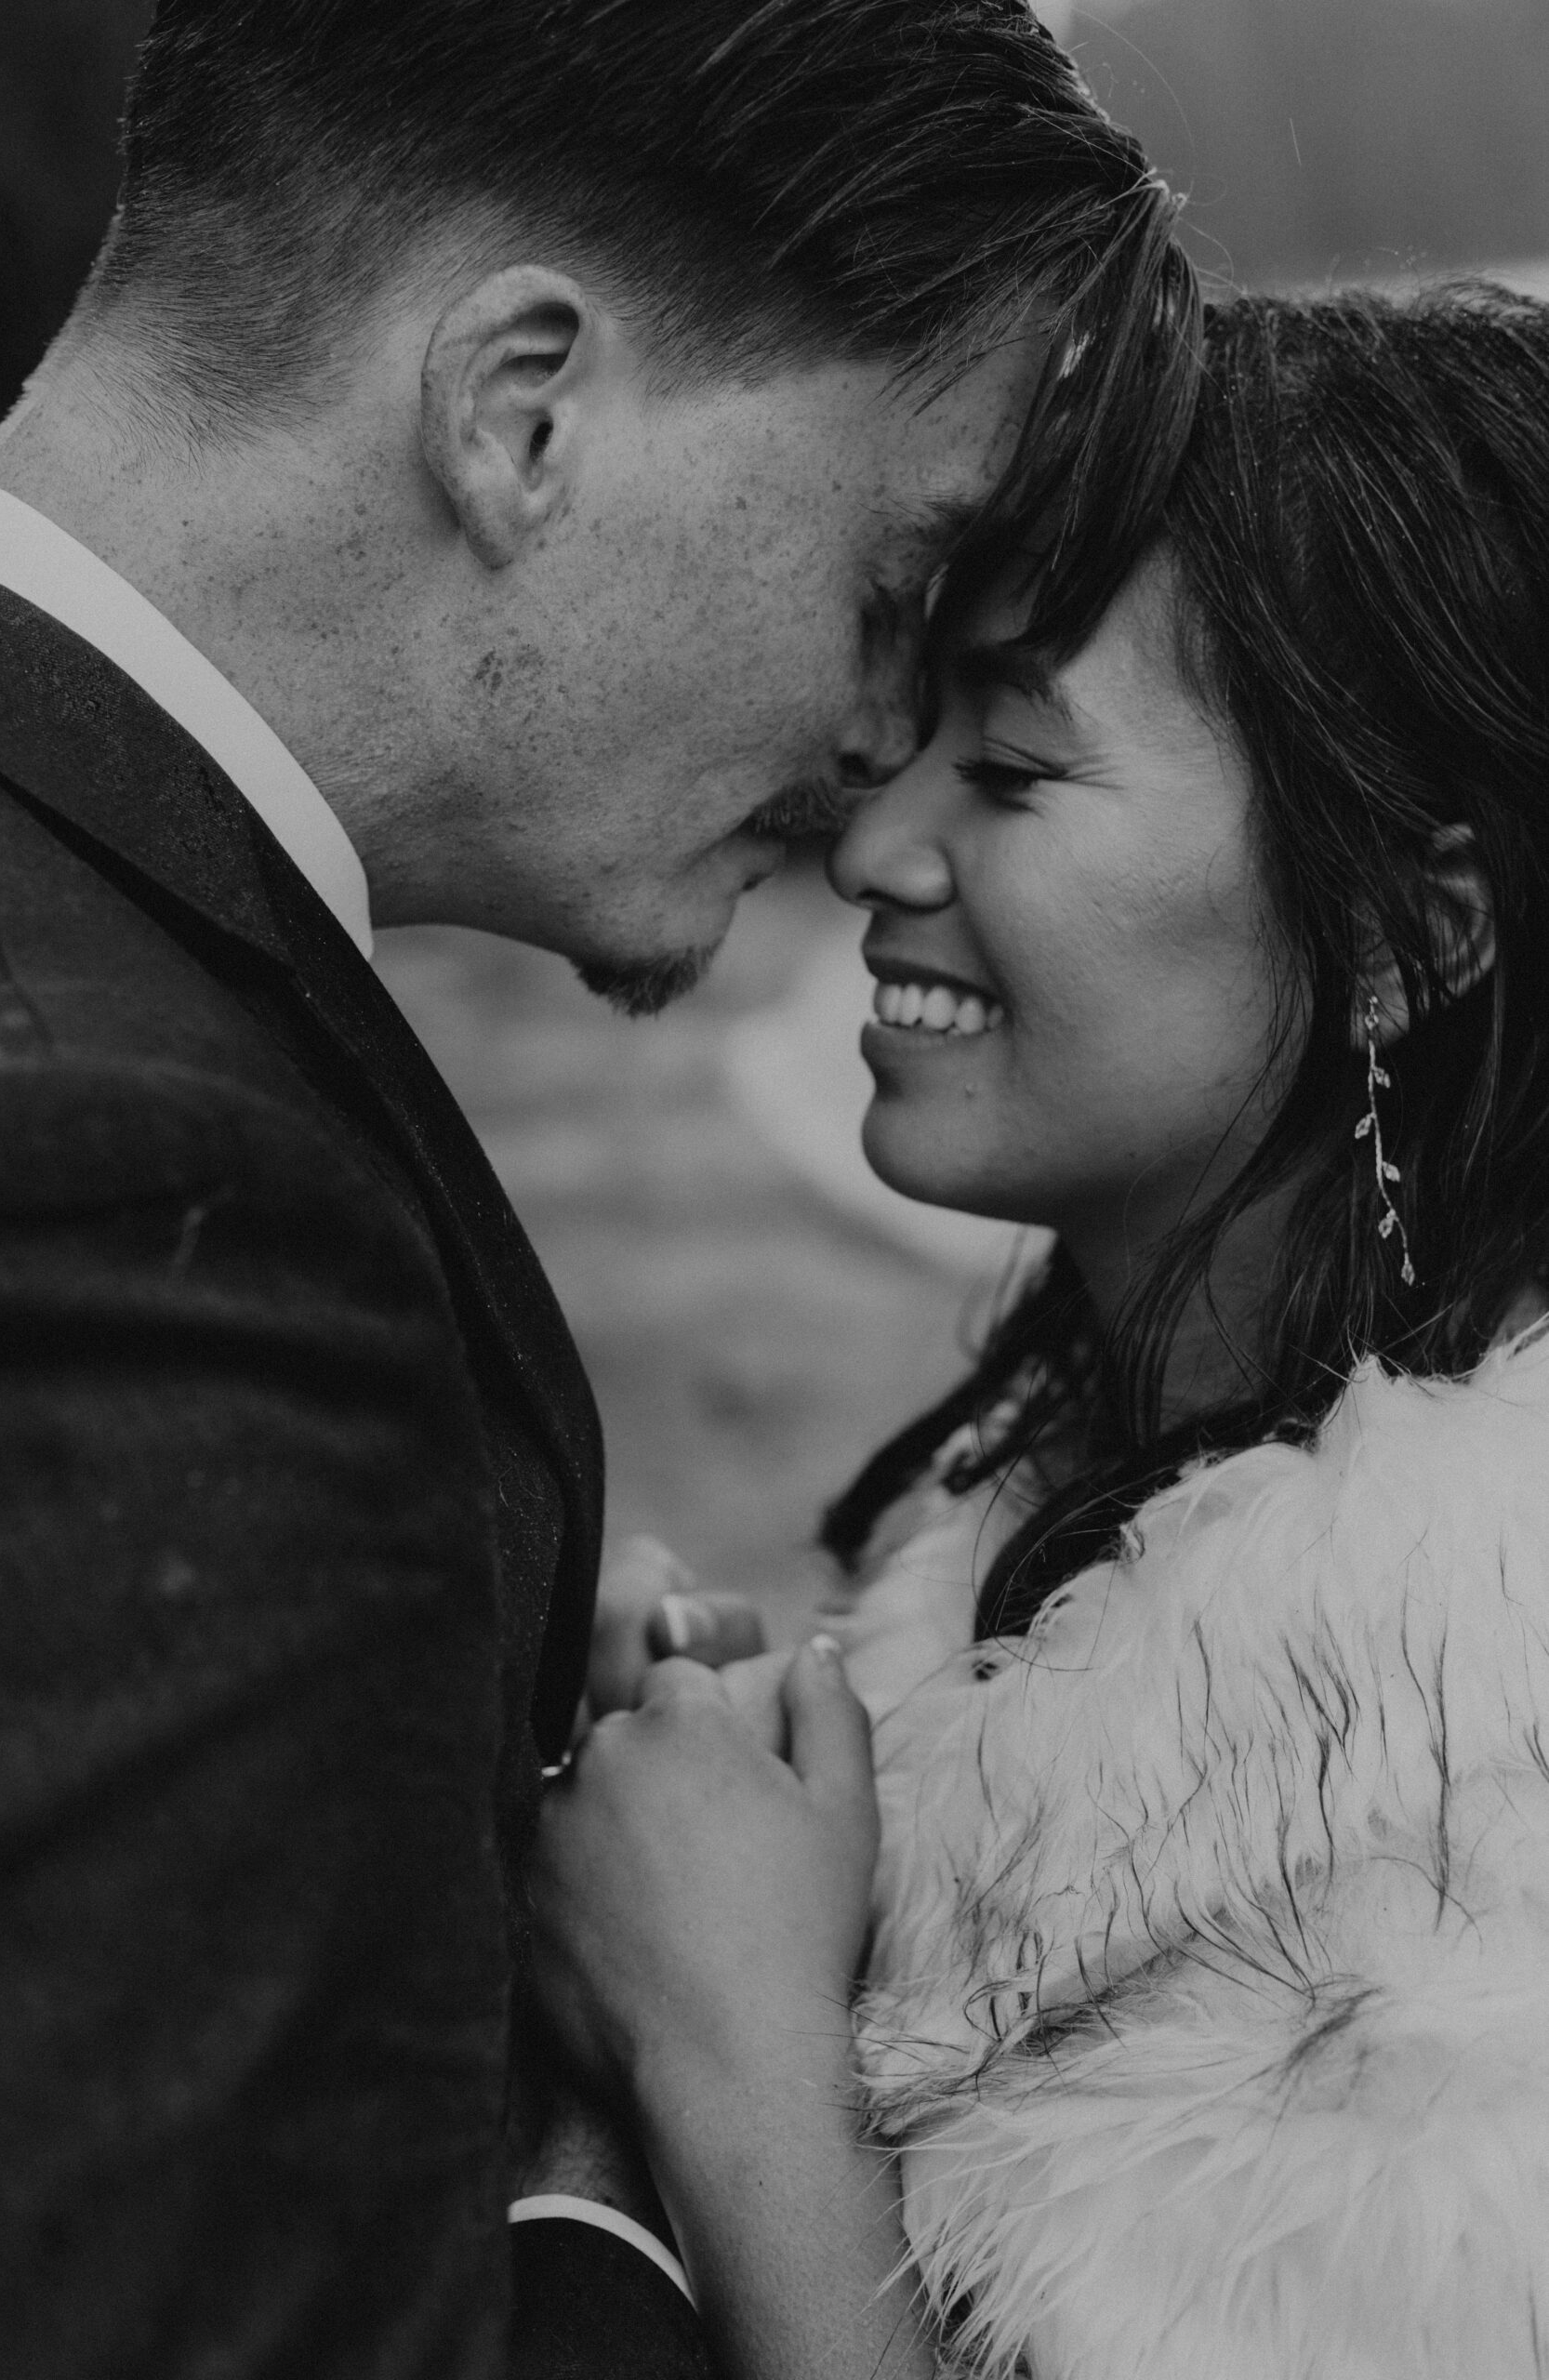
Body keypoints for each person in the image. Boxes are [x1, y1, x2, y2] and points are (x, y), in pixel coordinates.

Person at [0, 3, 1202, 2373]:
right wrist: (621, 2132)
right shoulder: (129, 1190)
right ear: (520, 410)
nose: (872, 770)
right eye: (895, 573)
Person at [530, 283, 1549, 2379]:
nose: (878, 842)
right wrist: (744, 1796)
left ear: (1395, 930)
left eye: (1007, 762)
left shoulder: (1482, 1820)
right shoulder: (1043, 1516)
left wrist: (726, 2034)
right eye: (908, 732)